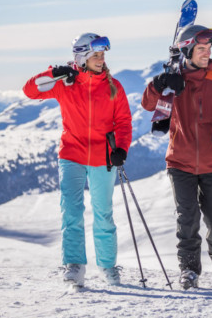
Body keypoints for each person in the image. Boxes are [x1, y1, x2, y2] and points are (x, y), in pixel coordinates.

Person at [141, 25, 212, 290]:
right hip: (180, 161)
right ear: (187, 50)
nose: (207, 52)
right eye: (201, 48)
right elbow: (147, 104)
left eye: (209, 48)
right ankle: (189, 269)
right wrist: (159, 83)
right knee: (186, 218)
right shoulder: (173, 81)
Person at [22, 33, 132, 288]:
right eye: (96, 55)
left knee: (104, 215)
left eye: (103, 54)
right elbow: (30, 91)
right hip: (71, 155)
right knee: (71, 211)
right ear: (82, 57)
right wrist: (54, 72)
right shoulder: (65, 83)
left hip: (103, 158)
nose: (101, 59)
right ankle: (74, 265)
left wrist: (121, 149)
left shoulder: (113, 86)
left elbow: (124, 122)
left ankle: (108, 267)